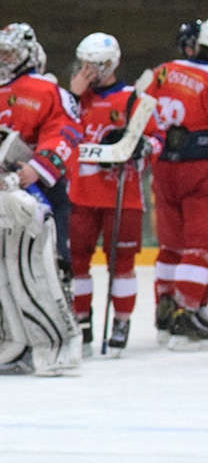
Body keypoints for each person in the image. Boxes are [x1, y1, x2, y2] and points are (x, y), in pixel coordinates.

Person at [0, 23, 83, 375]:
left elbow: (67, 131)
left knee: (39, 267)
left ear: (29, 53)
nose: (4, 59)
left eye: (11, 53)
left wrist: (37, 167)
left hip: (38, 193)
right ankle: (11, 339)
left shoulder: (48, 90)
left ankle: (56, 338)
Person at [66, 32, 160, 357]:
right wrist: (71, 96)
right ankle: (81, 320)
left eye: (95, 65)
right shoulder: (73, 99)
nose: (88, 71)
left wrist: (142, 146)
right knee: (76, 262)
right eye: (84, 64)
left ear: (110, 65)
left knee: (122, 262)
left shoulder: (132, 98)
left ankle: (121, 320)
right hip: (80, 194)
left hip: (122, 194)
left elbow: (157, 136)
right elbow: (56, 130)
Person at [146, 20, 208, 348]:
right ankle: (187, 317)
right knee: (200, 247)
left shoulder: (163, 71)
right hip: (200, 169)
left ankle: (165, 317)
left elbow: (140, 111)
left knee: (171, 246)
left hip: (163, 169)